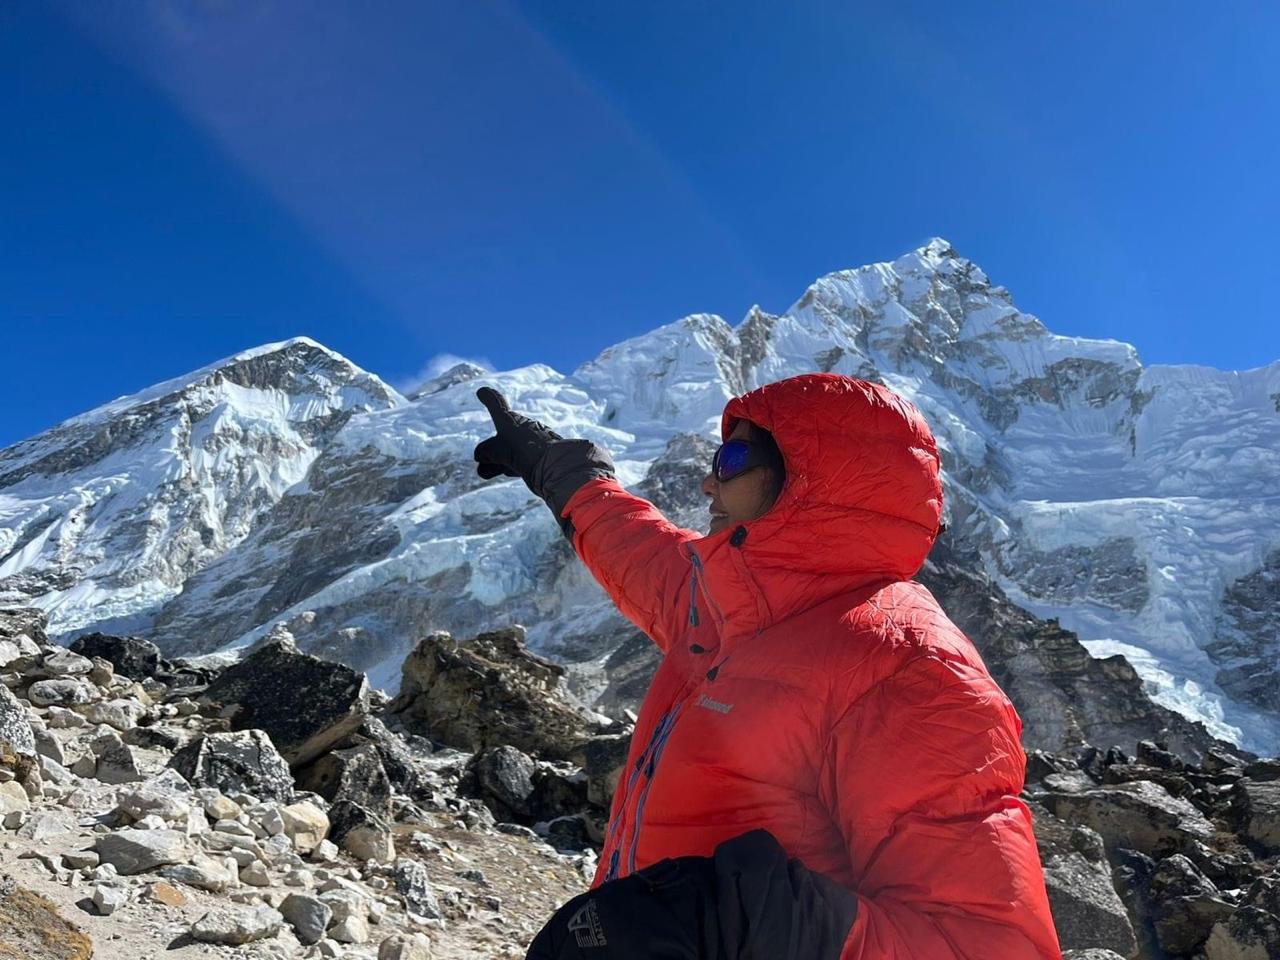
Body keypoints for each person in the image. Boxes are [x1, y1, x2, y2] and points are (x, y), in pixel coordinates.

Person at [474, 373, 1062, 960]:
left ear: (815, 478)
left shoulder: (908, 669)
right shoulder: (730, 606)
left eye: (732, 459)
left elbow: (989, 944)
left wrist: (752, 922)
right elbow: (635, 549)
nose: (708, 482)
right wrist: (558, 467)